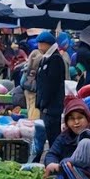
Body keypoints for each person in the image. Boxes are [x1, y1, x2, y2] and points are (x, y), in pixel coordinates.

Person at [43, 98, 90, 179]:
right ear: (66, 122)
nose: (76, 122)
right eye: (72, 119)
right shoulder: (64, 137)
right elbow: (52, 153)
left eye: (80, 118)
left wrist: (64, 165)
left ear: (88, 119)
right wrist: (52, 163)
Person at [33, 31, 68, 161]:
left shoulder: (55, 59)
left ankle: (55, 161)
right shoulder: (46, 58)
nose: (38, 47)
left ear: (47, 44)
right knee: (43, 134)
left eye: (40, 44)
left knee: (53, 136)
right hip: (44, 106)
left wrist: (44, 103)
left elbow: (51, 85)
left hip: (51, 107)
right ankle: (44, 160)